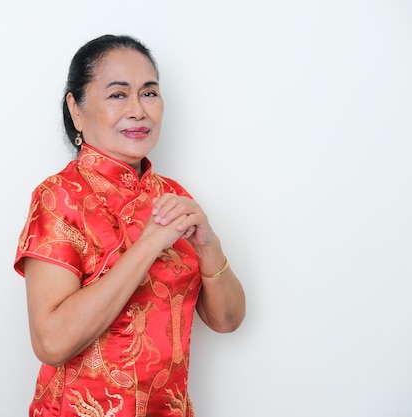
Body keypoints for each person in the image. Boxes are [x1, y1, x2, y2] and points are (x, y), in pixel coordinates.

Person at [14, 34, 245, 417]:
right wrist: (149, 244)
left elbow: (227, 320)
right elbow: (50, 342)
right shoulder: (60, 196)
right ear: (76, 109)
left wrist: (209, 246)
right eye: (118, 95)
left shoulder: (172, 195)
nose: (138, 110)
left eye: (149, 93)